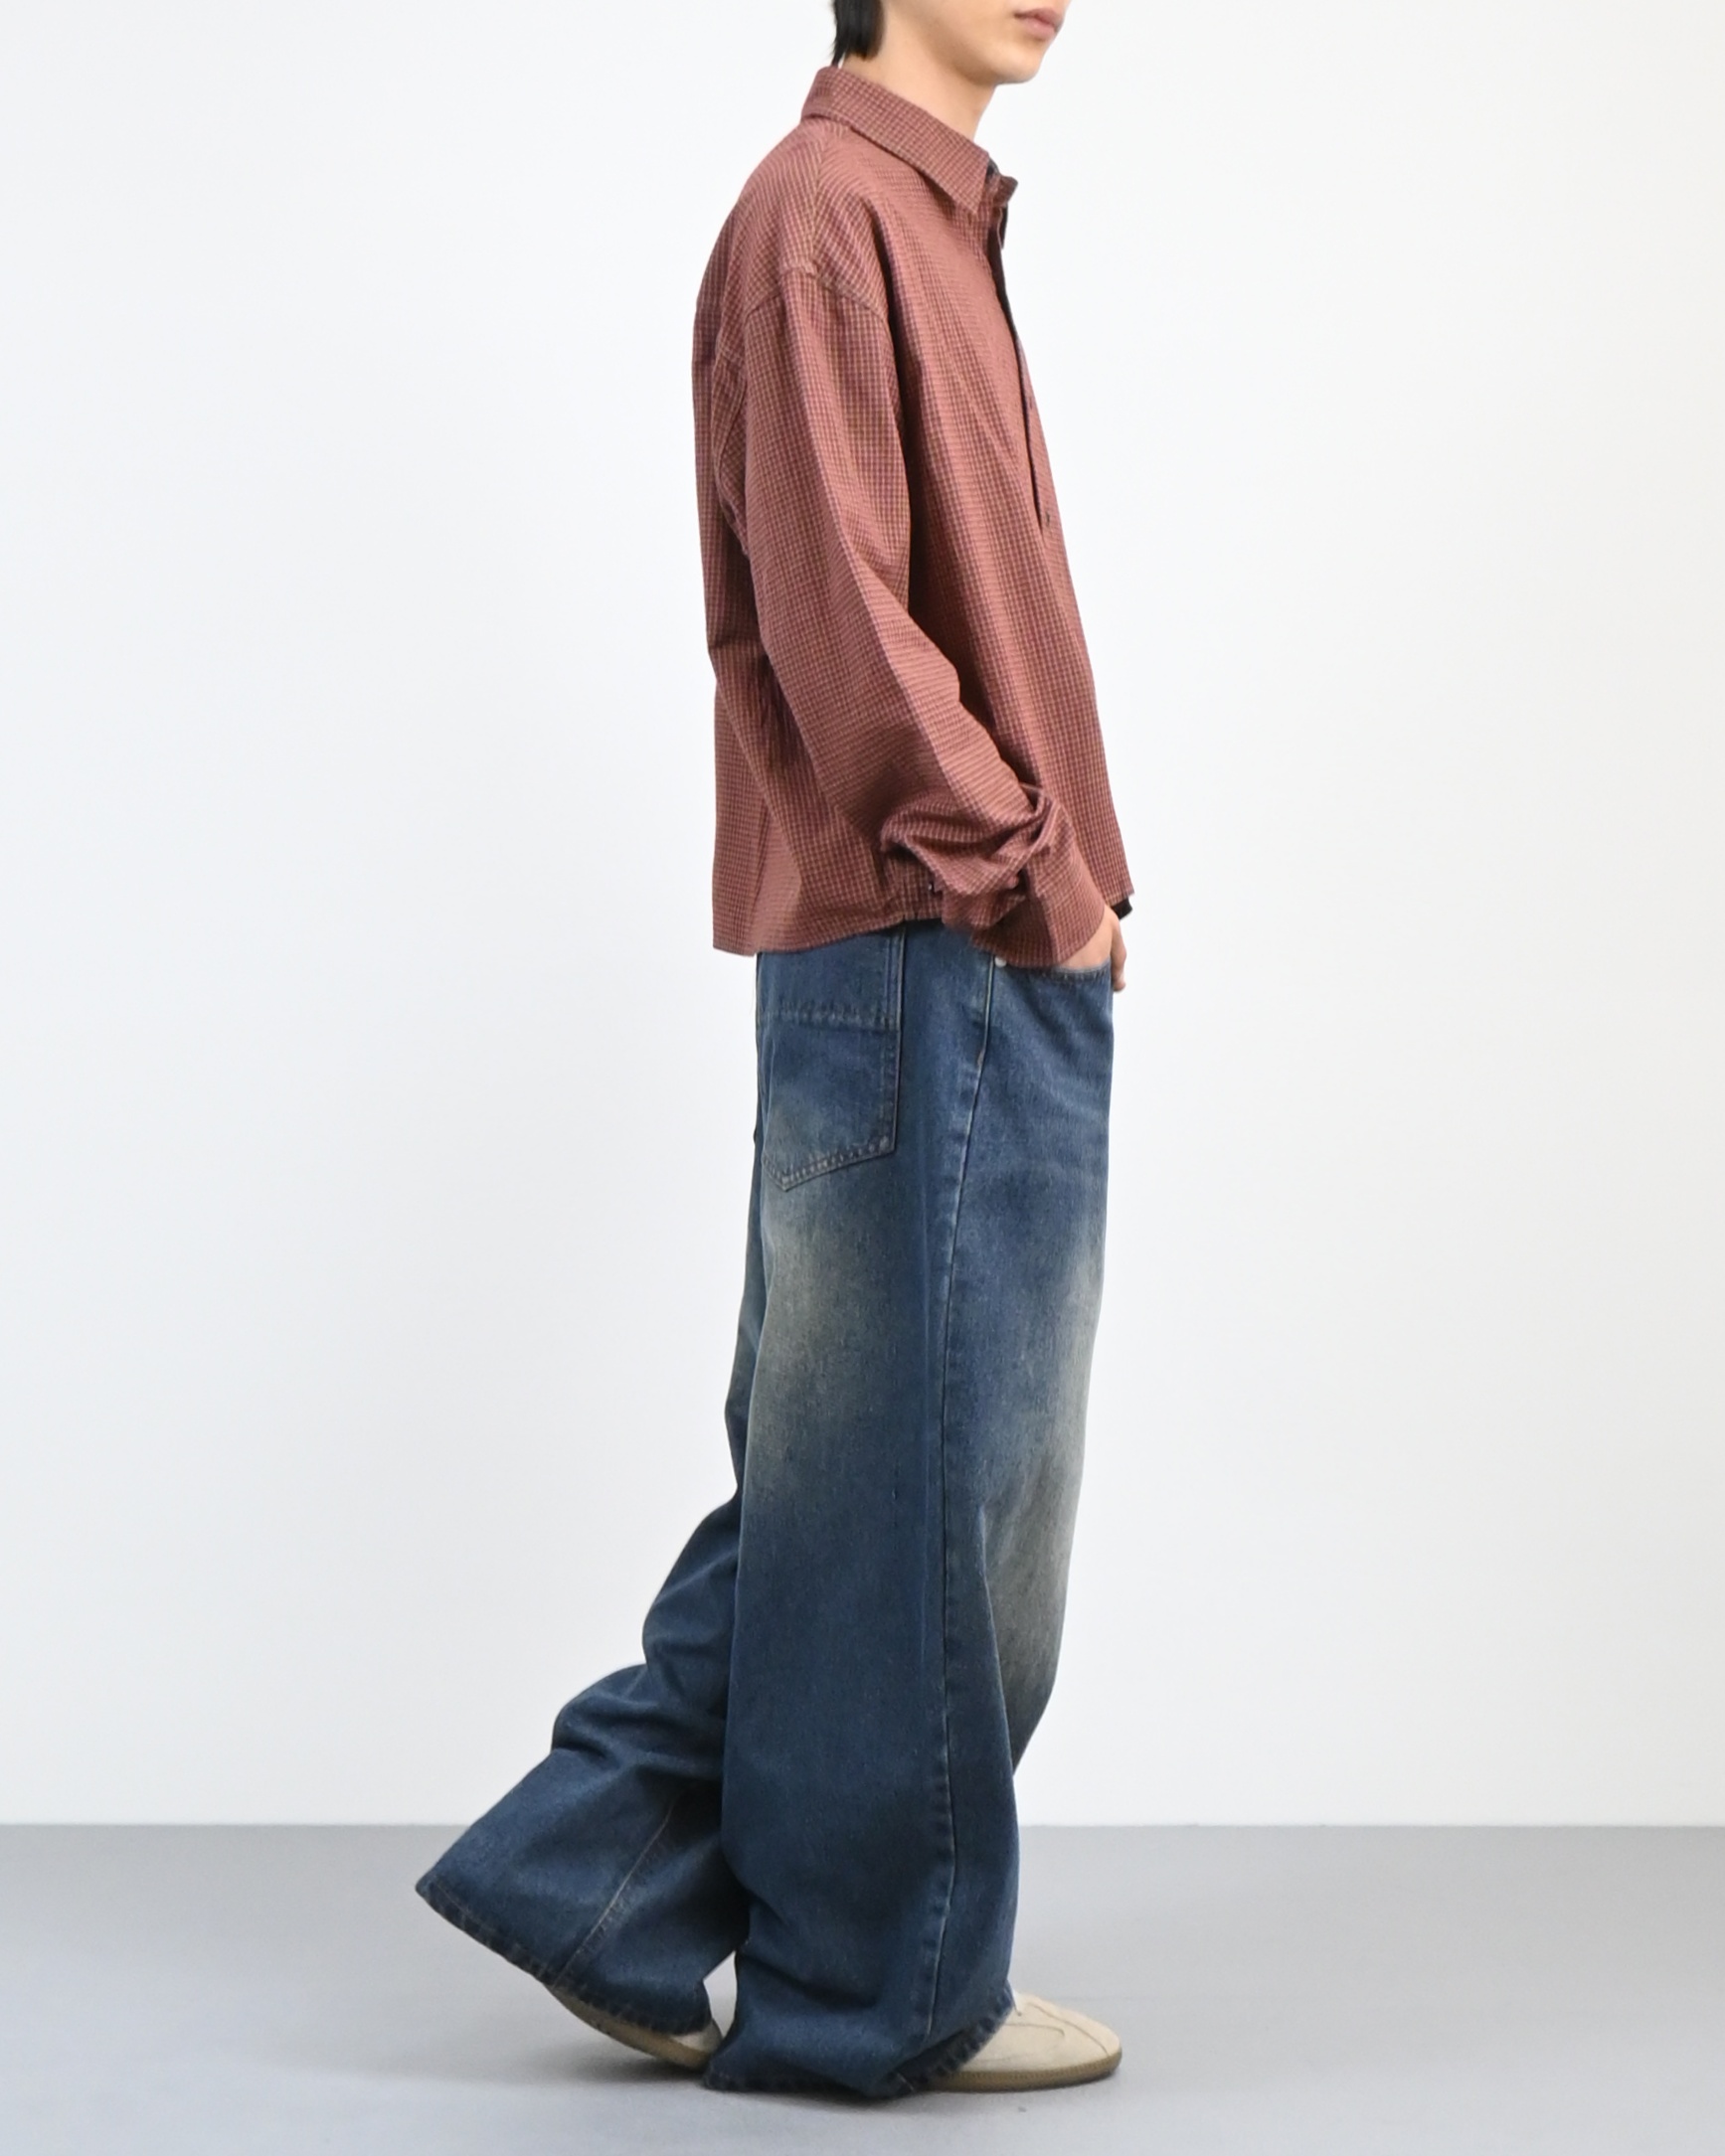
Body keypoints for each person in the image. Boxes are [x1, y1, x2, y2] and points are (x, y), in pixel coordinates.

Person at [417, 0, 1132, 2098]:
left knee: (882, 1477)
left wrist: (1057, 895)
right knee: (918, 1491)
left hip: (972, 931)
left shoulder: (927, 217)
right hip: (932, 929)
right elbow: (839, 618)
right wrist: (1032, 875)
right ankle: (872, 1981)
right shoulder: (825, 213)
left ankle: (600, 1869)